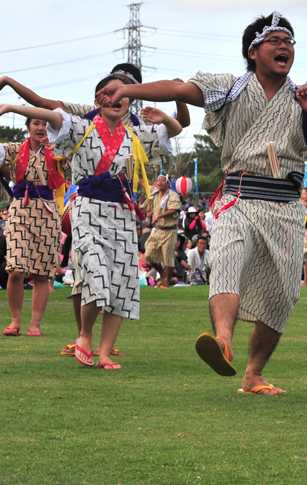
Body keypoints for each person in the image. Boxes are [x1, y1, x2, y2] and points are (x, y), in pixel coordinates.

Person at [96, 12, 307, 394]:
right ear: (253, 51)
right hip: (238, 196)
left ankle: (253, 375)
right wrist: (131, 91)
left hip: (285, 204)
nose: (284, 47)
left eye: (289, 42)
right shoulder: (228, 87)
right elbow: (180, 89)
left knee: (283, 293)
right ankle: (223, 342)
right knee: (227, 262)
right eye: (275, 41)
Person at [3, 85, 180, 369]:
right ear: (98, 99)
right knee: (96, 272)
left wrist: (164, 117)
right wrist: (11, 108)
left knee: (121, 282)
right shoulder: (80, 127)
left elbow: (175, 130)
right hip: (86, 209)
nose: (117, 100)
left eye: (123, 95)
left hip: (122, 214)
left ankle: (105, 352)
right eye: (110, 94)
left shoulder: (135, 135)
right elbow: (45, 110)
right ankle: (85, 334)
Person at [0, 113, 65, 338]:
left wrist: (59, 148)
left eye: (46, 124)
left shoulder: (59, 149)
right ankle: (15, 320)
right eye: (36, 123)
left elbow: (74, 167)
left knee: (41, 273)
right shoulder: (15, 148)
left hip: (48, 211)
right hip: (19, 209)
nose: (41, 127)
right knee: (16, 269)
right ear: (28, 127)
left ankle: (35, 324)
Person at [142, 175, 183, 290]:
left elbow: (173, 210)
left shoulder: (172, 195)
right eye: (158, 180)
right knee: (148, 254)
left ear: (168, 184)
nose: (159, 182)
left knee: (168, 257)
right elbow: (143, 183)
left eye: (162, 180)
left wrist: (158, 216)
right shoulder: (155, 192)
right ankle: (162, 273)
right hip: (157, 229)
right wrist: (135, 175)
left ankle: (167, 282)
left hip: (169, 230)